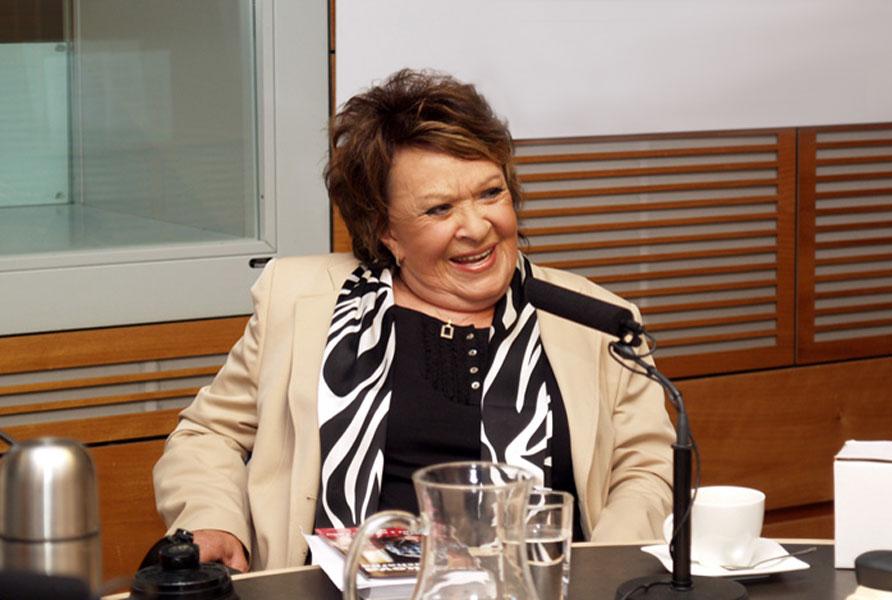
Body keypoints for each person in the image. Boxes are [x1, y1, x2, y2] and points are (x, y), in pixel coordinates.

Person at [153, 69, 675, 572]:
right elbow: (208, 434)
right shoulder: (298, 300)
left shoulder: (595, 320)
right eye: (439, 209)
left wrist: (598, 575)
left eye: (490, 193)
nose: (477, 227)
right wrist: (214, 522)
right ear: (386, 231)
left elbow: (647, 470)